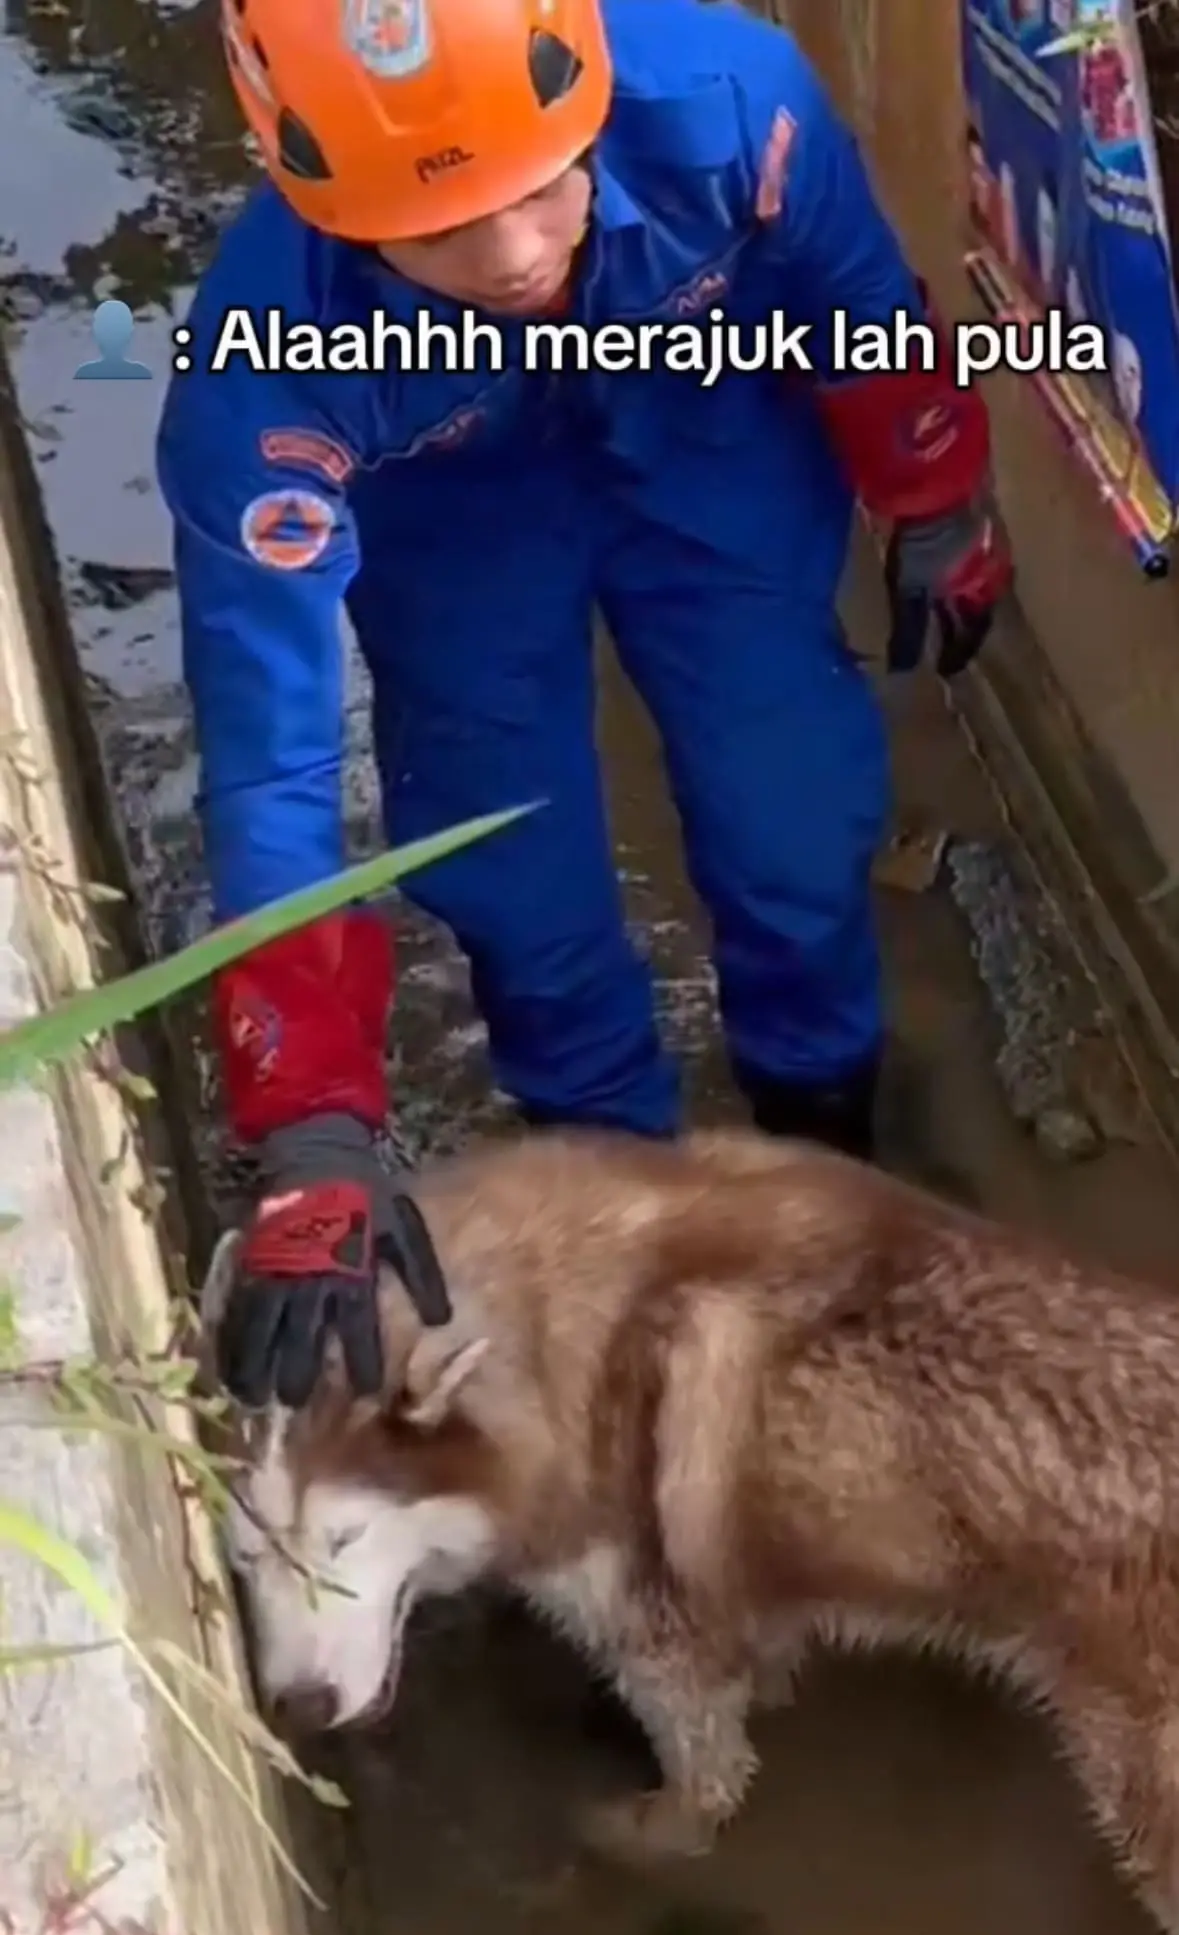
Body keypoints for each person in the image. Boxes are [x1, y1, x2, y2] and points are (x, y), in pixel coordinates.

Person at [158, 0, 1012, 1411]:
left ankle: (825, 1145)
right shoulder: (261, 372)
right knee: (513, 873)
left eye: (537, 188)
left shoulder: (728, 103)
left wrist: (930, 483)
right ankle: (624, 1223)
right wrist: (308, 1111)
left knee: (790, 802)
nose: (508, 260)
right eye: (434, 231)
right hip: (455, 516)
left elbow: (853, 297)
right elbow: (273, 762)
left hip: (702, 423)